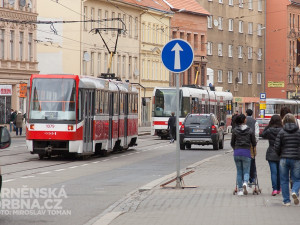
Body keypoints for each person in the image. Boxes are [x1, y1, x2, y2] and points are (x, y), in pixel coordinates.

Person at [274, 113, 300, 206]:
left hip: (284, 158)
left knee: (284, 180)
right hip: (296, 158)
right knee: (297, 179)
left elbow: (277, 146)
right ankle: (294, 191)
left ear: (283, 121)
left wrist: (280, 155)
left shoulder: (281, 132)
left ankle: (286, 201)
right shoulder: (298, 131)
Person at [231, 114, 256, 196]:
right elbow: (254, 142)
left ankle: (240, 190)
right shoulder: (250, 130)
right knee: (246, 170)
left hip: (237, 152)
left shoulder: (235, 130)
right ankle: (245, 182)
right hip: (246, 152)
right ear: (244, 120)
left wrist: (235, 148)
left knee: (239, 171)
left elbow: (232, 142)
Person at [262, 115, 283, 196]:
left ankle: (274, 189)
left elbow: (263, 135)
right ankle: (279, 188)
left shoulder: (269, 130)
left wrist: (268, 126)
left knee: (273, 172)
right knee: (280, 172)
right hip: (281, 153)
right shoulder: (282, 130)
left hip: (271, 152)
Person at [245, 109, 259, 185]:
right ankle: (252, 178)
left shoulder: (243, 121)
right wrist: (255, 143)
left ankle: (244, 180)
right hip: (251, 145)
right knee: (252, 161)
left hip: (243, 145)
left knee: (244, 162)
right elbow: (256, 134)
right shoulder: (254, 121)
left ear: (246, 113)